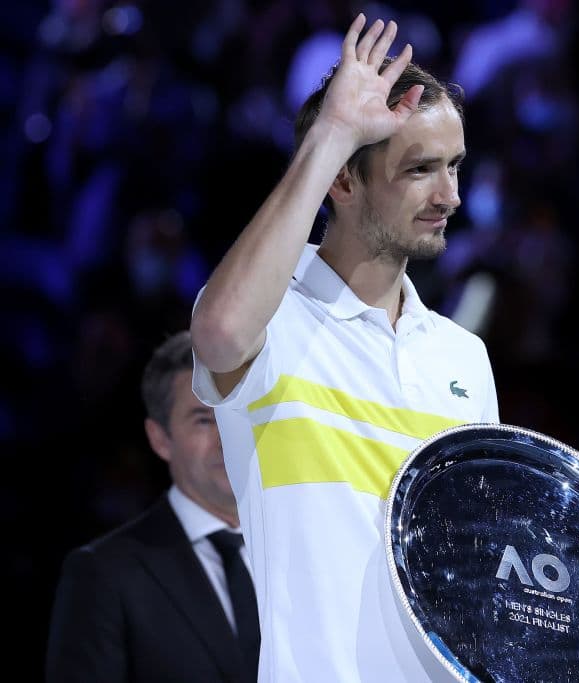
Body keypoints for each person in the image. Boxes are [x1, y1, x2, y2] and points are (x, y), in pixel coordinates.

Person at [189, 14, 499, 682]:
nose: (450, 195)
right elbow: (218, 336)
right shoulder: (271, 317)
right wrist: (332, 133)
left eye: (453, 166)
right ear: (345, 181)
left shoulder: (464, 358)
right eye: (421, 169)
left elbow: (474, 571)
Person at [46, 331, 259, 683]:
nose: (227, 438)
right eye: (204, 420)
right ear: (160, 439)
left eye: (238, 415)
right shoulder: (104, 573)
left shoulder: (306, 549)